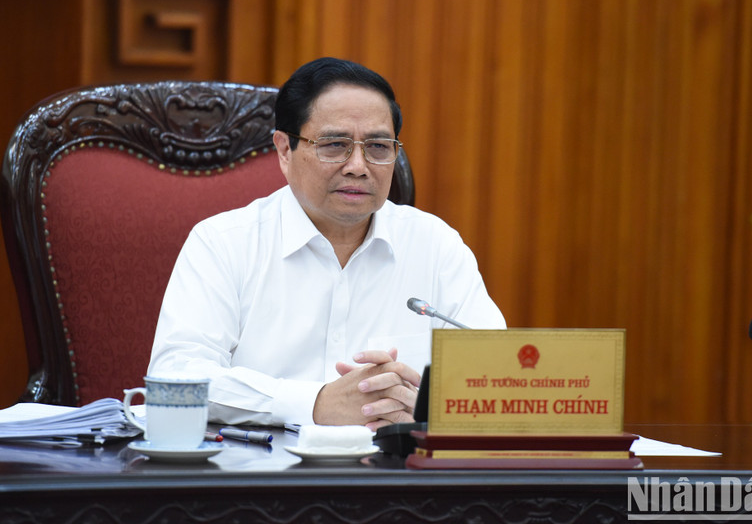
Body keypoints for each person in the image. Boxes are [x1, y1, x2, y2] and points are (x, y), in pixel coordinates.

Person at [147, 57, 506, 430]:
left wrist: (424, 405)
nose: (357, 165)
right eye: (334, 145)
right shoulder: (223, 243)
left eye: (378, 146)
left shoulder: (435, 245)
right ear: (285, 150)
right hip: (259, 477)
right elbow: (177, 377)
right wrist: (314, 404)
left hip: (398, 478)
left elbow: (496, 376)